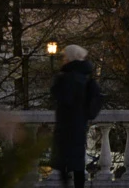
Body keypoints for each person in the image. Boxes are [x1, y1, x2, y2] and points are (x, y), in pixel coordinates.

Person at [50, 44, 103, 187]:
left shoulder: (67, 78)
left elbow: (60, 96)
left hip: (66, 125)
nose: (63, 59)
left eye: (65, 56)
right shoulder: (85, 77)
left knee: (64, 162)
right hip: (79, 125)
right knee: (77, 163)